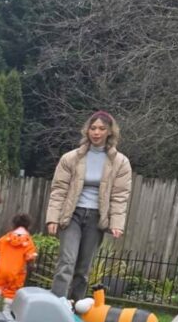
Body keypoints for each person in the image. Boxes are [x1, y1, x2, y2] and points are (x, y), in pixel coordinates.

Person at [46, 111, 132, 304]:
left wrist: (117, 223)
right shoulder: (71, 158)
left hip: (96, 219)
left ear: (110, 132)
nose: (96, 132)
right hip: (72, 215)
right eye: (93, 128)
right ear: (87, 131)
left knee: (83, 268)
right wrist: (53, 217)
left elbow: (120, 196)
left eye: (101, 128)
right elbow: (59, 189)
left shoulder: (121, 163)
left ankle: (75, 308)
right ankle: (55, 307)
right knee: (66, 262)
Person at [0, 212, 37, 310]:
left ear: (13, 224)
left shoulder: (6, 238)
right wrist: (32, 264)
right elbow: (30, 257)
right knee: (12, 291)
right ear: (28, 225)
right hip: (16, 272)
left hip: (2, 269)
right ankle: (6, 309)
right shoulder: (28, 241)